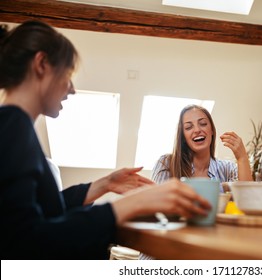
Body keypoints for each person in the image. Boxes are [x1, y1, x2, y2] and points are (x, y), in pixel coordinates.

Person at [0, 21, 211, 260]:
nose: (72, 90)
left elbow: (44, 209)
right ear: (41, 65)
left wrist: (105, 184)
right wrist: (129, 205)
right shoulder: (12, 123)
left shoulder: (14, 123)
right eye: (68, 76)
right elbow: (24, 242)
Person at [151, 104, 253, 188]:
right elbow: (155, 205)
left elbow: (248, 199)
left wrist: (242, 157)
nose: (197, 130)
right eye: (188, 127)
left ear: (212, 130)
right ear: (183, 137)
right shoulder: (166, 164)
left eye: (203, 124)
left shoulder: (227, 168)